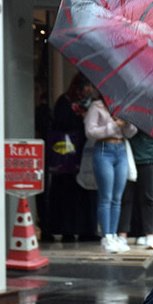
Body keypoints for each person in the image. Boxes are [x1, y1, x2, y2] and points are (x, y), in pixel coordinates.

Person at [84, 88, 137, 253]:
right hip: (104, 149)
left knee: (117, 197)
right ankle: (106, 236)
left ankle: (114, 235)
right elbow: (90, 131)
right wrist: (113, 125)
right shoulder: (96, 106)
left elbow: (132, 132)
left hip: (120, 150)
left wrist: (126, 123)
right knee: (106, 196)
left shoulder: (121, 107)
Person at [45, 73, 95, 242]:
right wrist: (79, 118)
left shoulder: (89, 104)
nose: (88, 93)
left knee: (83, 192)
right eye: (86, 89)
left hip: (82, 155)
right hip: (66, 157)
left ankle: (84, 229)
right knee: (66, 194)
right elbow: (61, 125)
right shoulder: (64, 102)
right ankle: (67, 229)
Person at [119, 133, 153, 250]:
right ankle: (122, 235)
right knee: (126, 197)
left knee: (149, 197)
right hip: (127, 156)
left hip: (150, 158)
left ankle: (150, 235)